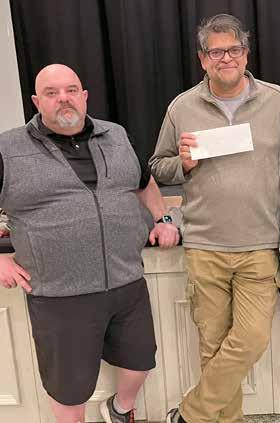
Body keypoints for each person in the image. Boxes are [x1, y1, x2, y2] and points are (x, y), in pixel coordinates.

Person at [149, 13, 280, 423]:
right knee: (213, 346)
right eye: (216, 52)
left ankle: (190, 413)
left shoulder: (279, 101)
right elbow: (158, 165)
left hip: (260, 245)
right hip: (204, 247)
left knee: (251, 339)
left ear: (246, 54)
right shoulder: (182, 107)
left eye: (234, 50)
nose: (226, 58)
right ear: (203, 59)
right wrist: (182, 164)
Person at [0, 64, 180, 423]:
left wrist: (162, 219)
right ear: (36, 101)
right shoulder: (8, 148)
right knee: (70, 388)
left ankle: (120, 409)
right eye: (51, 93)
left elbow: (144, 181)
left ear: (84, 96)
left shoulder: (116, 135)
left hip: (127, 282)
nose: (63, 99)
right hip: (59, 294)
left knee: (141, 361)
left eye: (71, 90)